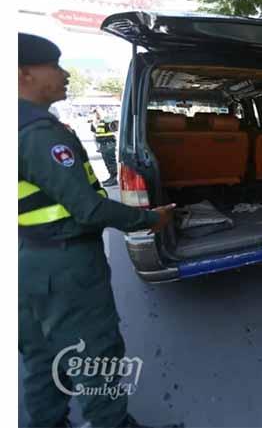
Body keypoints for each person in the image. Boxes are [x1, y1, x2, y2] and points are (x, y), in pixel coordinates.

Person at [18, 33, 178, 428]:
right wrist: (150, 220)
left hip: (30, 262)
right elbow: (89, 208)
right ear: (23, 74)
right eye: (53, 66)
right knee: (96, 356)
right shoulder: (39, 134)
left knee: (42, 356)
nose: (64, 73)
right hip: (66, 267)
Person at [90, 107, 119, 187]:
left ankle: (114, 179)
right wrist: (94, 121)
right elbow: (94, 131)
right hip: (103, 144)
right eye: (95, 113)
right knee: (107, 162)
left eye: (97, 112)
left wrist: (101, 116)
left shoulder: (107, 119)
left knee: (111, 162)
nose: (96, 114)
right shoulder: (97, 122)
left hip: (108, 143)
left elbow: (114, 124)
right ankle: (111, 177)